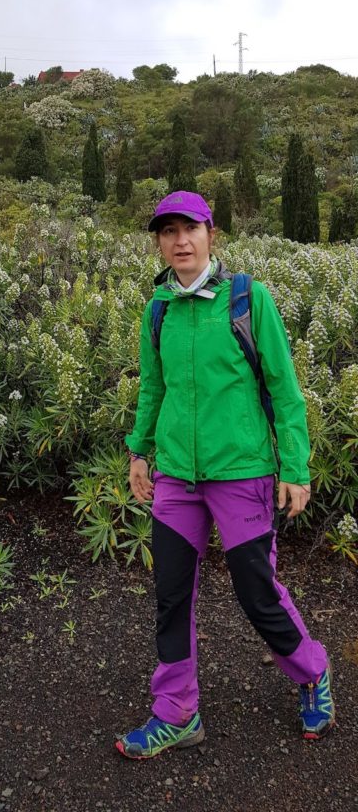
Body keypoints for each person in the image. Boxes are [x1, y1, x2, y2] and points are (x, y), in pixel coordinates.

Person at [115, 190, 334, 760]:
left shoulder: (247, 298)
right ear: (160, 243)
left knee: (257, 591)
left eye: (190, 229)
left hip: (242, 473)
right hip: (177, 479)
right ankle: (176, 712)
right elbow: (153, 388)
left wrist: (296, 468)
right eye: (168, 232)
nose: (180, 241)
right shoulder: (158, 306)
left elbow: (285, 390)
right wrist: (139, 453)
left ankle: (311, 672)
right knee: (170, 594)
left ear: (213, 234)